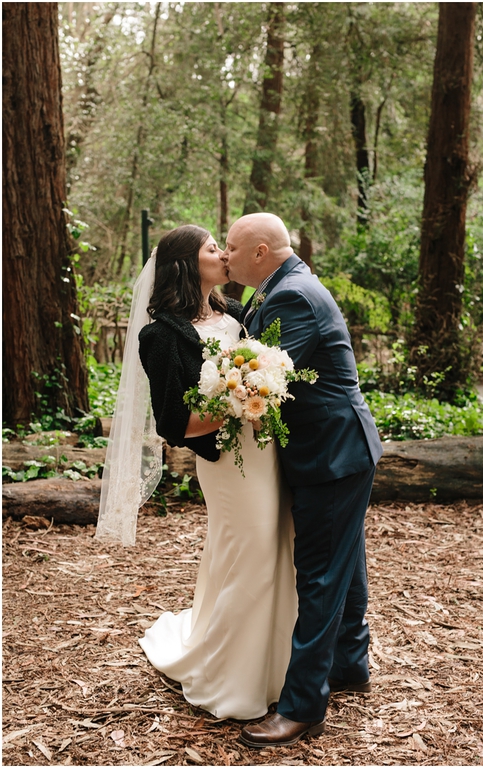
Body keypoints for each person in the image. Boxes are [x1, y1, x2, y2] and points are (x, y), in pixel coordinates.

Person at [95, 225, 297, 720]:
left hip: (264, 451)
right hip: (227, 463)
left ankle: (278, 669)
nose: (224, 254)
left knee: (273, 548)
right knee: (249, 552)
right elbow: (173, 424)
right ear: (187, 263)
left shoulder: (232, 314)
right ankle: (232, 676)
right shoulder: (160, 335)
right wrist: (240, 401)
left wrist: (260, 386)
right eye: (213, 248)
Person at [222, 213, 384, 748]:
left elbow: (259, 376)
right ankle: (350, 665)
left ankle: (302, 707)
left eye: (231, 248)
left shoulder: (293, 297)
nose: (225, 256)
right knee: (345, 560)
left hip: (330, 455)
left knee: (319, 575)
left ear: (261, 252)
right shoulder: (286, 287)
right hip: (340, 448)